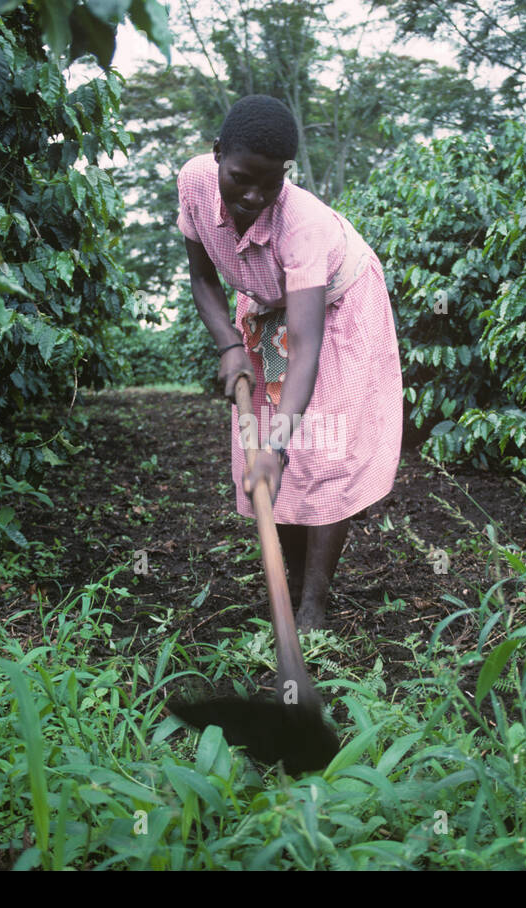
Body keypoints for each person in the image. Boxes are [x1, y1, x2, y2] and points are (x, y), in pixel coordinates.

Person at [176, 94, 402, 630]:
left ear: (287, 174)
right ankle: (291, 584)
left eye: (271, 182)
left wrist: (277, 446)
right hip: (265, 298)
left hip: (336, 304)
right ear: (216, 156)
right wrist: (230, 346)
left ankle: (312, 606)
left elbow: (305, 348)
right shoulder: (192, 181)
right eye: (241, 179)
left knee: (318, 446)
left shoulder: (302, 225)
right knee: (269, 448)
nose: (254, 196)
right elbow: (203, 278)